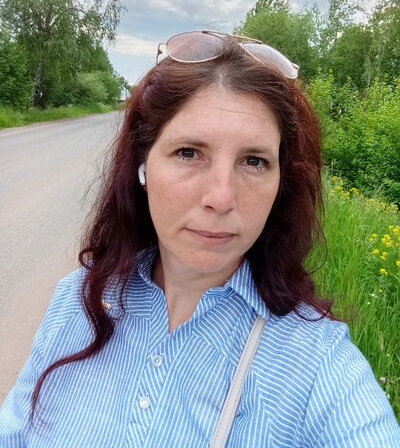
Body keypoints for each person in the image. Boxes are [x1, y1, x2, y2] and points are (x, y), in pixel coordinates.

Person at [0, 31, 399, 447]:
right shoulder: (78, 300)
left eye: (254, 161)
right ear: (143, 167)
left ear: (281, 184)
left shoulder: (317, 365)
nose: (221, 198)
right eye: (189, 153)